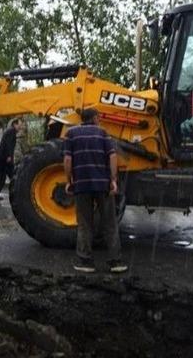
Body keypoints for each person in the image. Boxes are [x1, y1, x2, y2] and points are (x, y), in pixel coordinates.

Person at [63, 108, 126, 273]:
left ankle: (85, 263)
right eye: (99, 116)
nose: (100, 119)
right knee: (110, 224)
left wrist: (68, 181)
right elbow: (112, 156)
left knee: (84, 224)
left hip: (82, 186)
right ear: (94, 118)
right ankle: (115, 262)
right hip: (102, 185)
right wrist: (113, 180)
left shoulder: (71, 134)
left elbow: (68, 159)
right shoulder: (103, 133)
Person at [0, 118, 25, 200]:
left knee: (3, 178)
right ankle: (18, 194)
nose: (20, 126)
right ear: (15, 124)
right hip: (4, 158)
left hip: (2, 158)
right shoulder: (11, 132)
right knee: (11, 177)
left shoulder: (10, 131)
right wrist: (9, 156)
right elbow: (8, 144)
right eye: (19, 124)